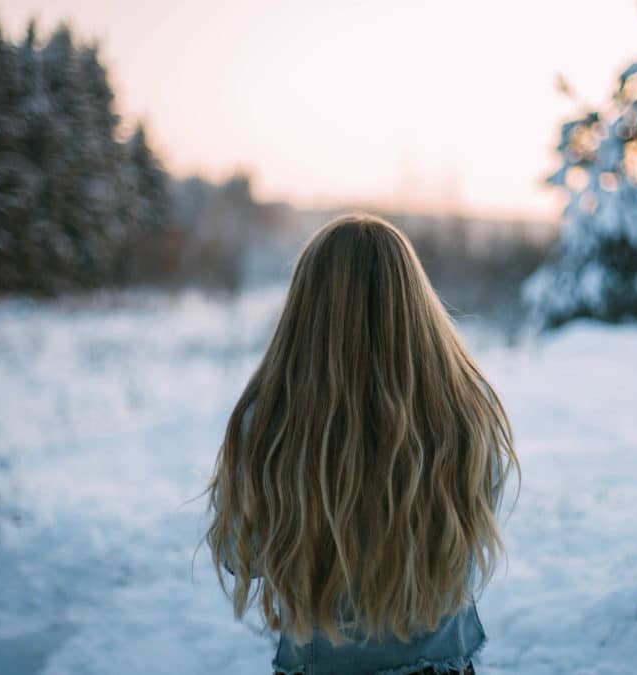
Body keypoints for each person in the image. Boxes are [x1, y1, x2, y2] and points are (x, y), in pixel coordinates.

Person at [205, 212, 519, 675]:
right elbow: (470, 538)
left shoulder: (269, 420)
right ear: (415, 301)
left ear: (306, 308)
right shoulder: (464, 410)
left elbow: (240, 557)